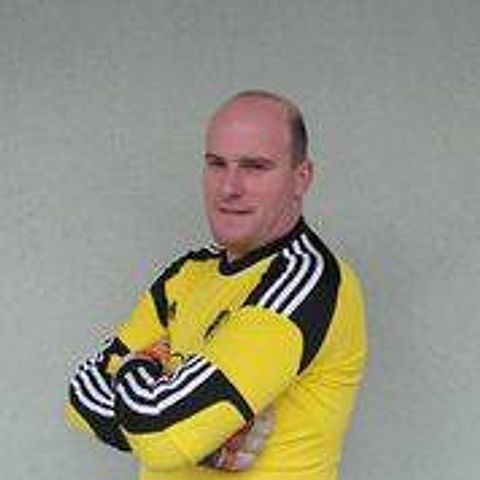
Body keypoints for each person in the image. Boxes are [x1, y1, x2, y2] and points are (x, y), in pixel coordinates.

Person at [66, 90, 367, 480]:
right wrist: (205, 435)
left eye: (255, 167)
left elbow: (160, 431)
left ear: (301, 178)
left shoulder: (307, 284)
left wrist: (143, 366)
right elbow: (83, 394)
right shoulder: (189, 272)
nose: (229, 187)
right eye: (216, 164)